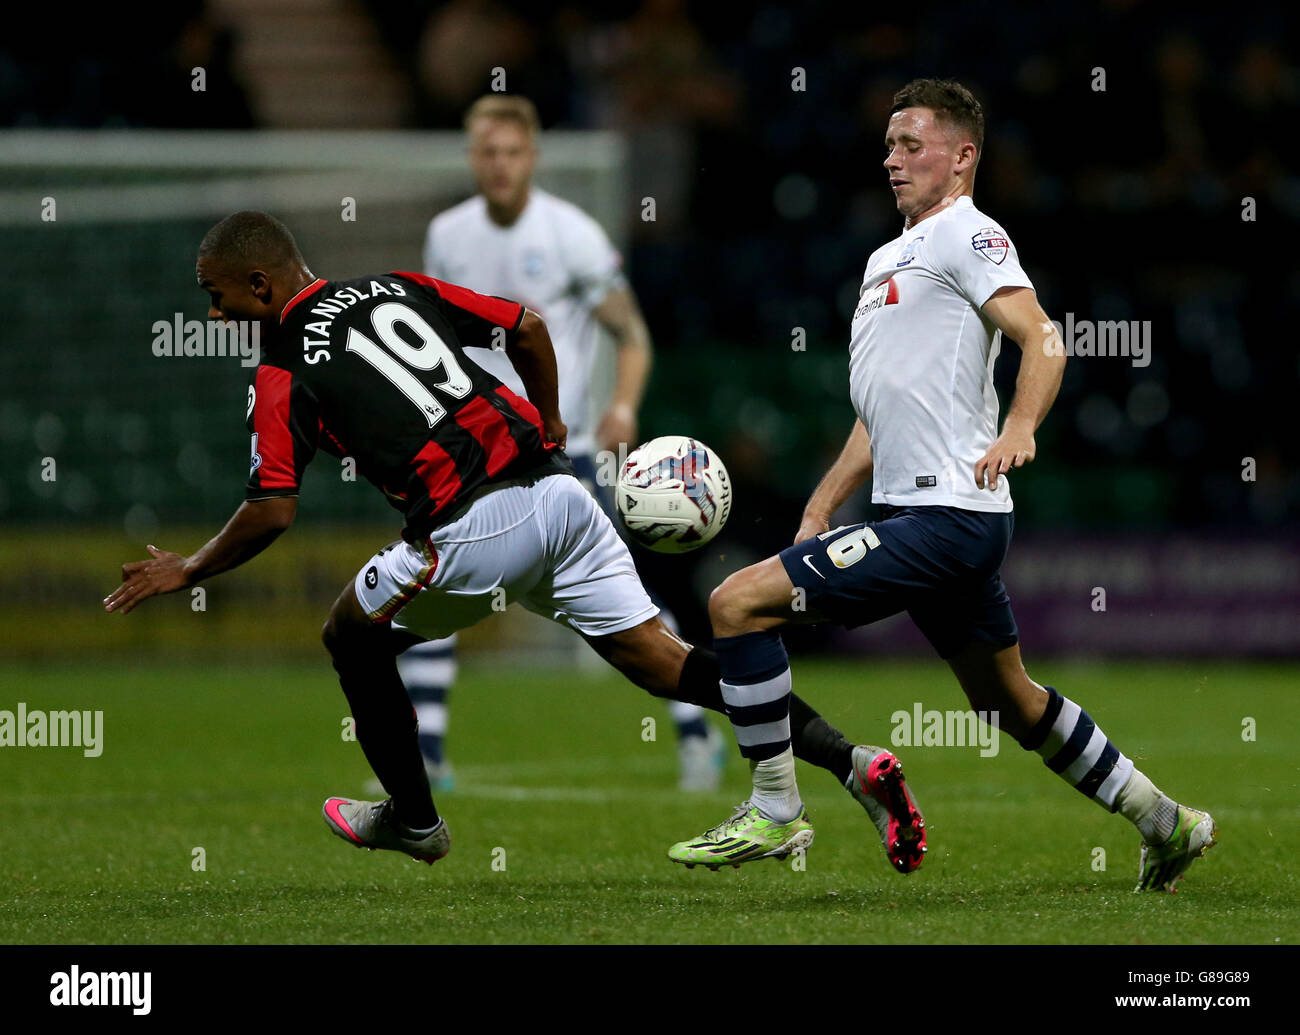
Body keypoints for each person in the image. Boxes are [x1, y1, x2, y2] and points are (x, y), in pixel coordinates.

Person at [104, 210, 915, 869]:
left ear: (260, 282)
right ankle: (853, 762)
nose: (216, 315)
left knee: (349, 633)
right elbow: (526, 327)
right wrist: (553, 424)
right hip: (560, 495)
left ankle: (414, 821)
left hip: (471, 528)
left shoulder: (281, 369)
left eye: (218, 297)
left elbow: (272, 507)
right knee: (664, 661)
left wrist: (192, 566)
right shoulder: (396, 283)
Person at [668, 79, 1217, 894]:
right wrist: (822, 502)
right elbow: (879, 406)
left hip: (947, 513)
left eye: (912, 144)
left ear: (962, 158)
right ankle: (1166, 821)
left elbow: (1044, 338)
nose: (893, 159)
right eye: (889, 144)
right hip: (918, 510)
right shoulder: (886, 257)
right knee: (1011, 701)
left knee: (734, 604)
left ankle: (775, 804)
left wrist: (1021, 425)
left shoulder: (971, 234)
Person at [403, 92, 722, 794]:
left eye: (512, 152)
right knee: (432, 582)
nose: (500, 165)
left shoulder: (569, 233)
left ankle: (699, 732)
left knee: (623, 600)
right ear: (472, 156)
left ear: (532, 157)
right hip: (471, 450)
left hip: (559, 452)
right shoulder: (447, 234)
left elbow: (631, 332)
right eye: (487, 152)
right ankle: (423, 755)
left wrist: (624, 406)